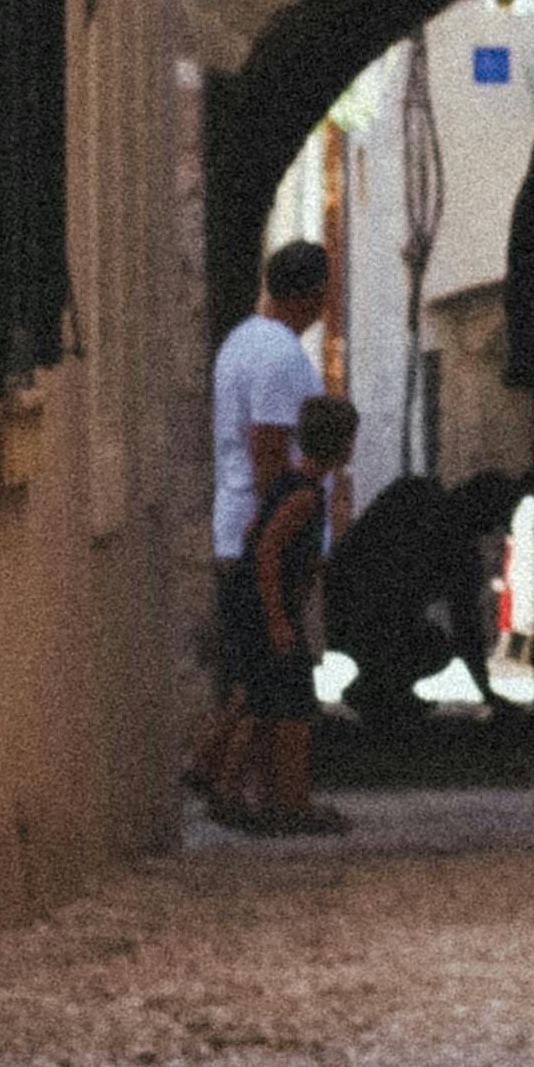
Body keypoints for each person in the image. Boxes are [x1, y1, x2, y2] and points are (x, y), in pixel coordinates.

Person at [191, 239, 331, 825]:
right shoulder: (279, 357)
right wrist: (283, 532)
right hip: (265, 529)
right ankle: (250, 786)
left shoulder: (241, 341)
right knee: (277, 666)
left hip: (239, 525)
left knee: (260, 668)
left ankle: (228, 782)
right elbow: (269, 447)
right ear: (312, 295)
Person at [234, 392, 359, 834]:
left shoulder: (289, 484)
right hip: (274, 610)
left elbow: (252, 532)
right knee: (293, 710)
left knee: (273, 703)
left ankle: (273, 802)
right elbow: (266, 547)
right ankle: (291, 803)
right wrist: (277, 618)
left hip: (268, 606)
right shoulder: (305, 496)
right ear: (340, 443)